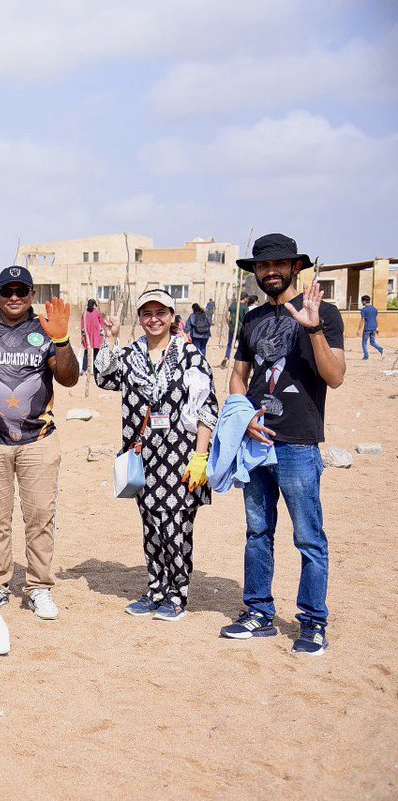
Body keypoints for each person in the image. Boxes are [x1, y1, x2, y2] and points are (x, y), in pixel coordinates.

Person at [220, 233, 345, 655]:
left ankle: (312, 621)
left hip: (297, 443)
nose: (270, 271)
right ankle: (258, 612)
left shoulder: (323, 312)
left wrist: (312, 331)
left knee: (309, 537)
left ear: (295, 267)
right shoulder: (252, 319)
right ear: (255, 272)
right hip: (256, 442)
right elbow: (239, 375)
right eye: (262, 266)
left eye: (278, 264)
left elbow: (336, 375)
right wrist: (243, 416)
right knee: (257, 532)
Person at [0, 266, 80, 620]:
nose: (14, 298)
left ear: (31, 295)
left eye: (22, 291)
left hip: (38, 440)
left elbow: (68, 379)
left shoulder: (44, 329)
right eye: (8, 291)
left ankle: (39, 588)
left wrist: (63, 340)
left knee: (39, 518)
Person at [95, 289, 219, 621]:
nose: (154, 319)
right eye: (147, 313)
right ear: (140, 317)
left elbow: (207, 407)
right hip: (143, 456)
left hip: (181, 456)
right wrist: (110, 339)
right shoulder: (131, 354)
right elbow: (104, 379)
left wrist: (201, 456)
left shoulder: (189, 354)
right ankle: (155, 589)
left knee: (176, 524)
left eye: (160, 312)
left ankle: (177, 594)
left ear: (171, 316)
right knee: (151, 524)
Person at [220, 294, 252, 368]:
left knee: (229, 345)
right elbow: (246, 318)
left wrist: (230, 325)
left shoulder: (232, 305)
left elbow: (227, 316)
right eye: (247, 298)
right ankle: (237, 362)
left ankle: (226, 357)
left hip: (232, 328)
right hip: (241, 329)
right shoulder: (245, 307)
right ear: (244, 298)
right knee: (241, 346)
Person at [81, 298, 106, 374]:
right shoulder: (85, 313)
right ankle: (88, 369)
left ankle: (90, 369)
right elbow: (82, 324)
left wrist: (102, 331)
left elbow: (101, 323)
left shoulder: (96, 313)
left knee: (92, 351)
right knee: (91, 352)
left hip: (94, 334)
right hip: (89, 335)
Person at [358, 295, 384, 360]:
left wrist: (359, 329)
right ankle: (380, 349)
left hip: (367, 328)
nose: (361, 302)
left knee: (364, 342)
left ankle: (366, 356)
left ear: (364, 301)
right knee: (372, 342)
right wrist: (377, 327)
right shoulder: (375, 309)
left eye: (362, 301)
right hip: (374, 328)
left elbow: (362, 320)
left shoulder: (364, 310)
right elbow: (376, 318)